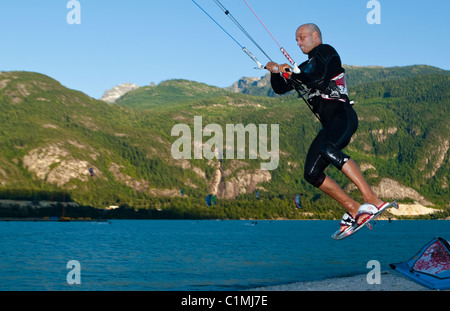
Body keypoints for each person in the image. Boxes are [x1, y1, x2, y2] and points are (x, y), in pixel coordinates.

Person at [266, 23, 388, 231]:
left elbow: (320, 80)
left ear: (315, 36)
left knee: (327, 148)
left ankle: (372, 199)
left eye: (302, 37)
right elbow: (279, 89)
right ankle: (354, 208)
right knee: (311, 173)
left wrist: (292, 73)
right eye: (296, 39)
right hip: (329, 124)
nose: (299, 42)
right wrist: (275, 71)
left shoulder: (326, 52)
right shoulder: (305, 67)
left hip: (343, 116)